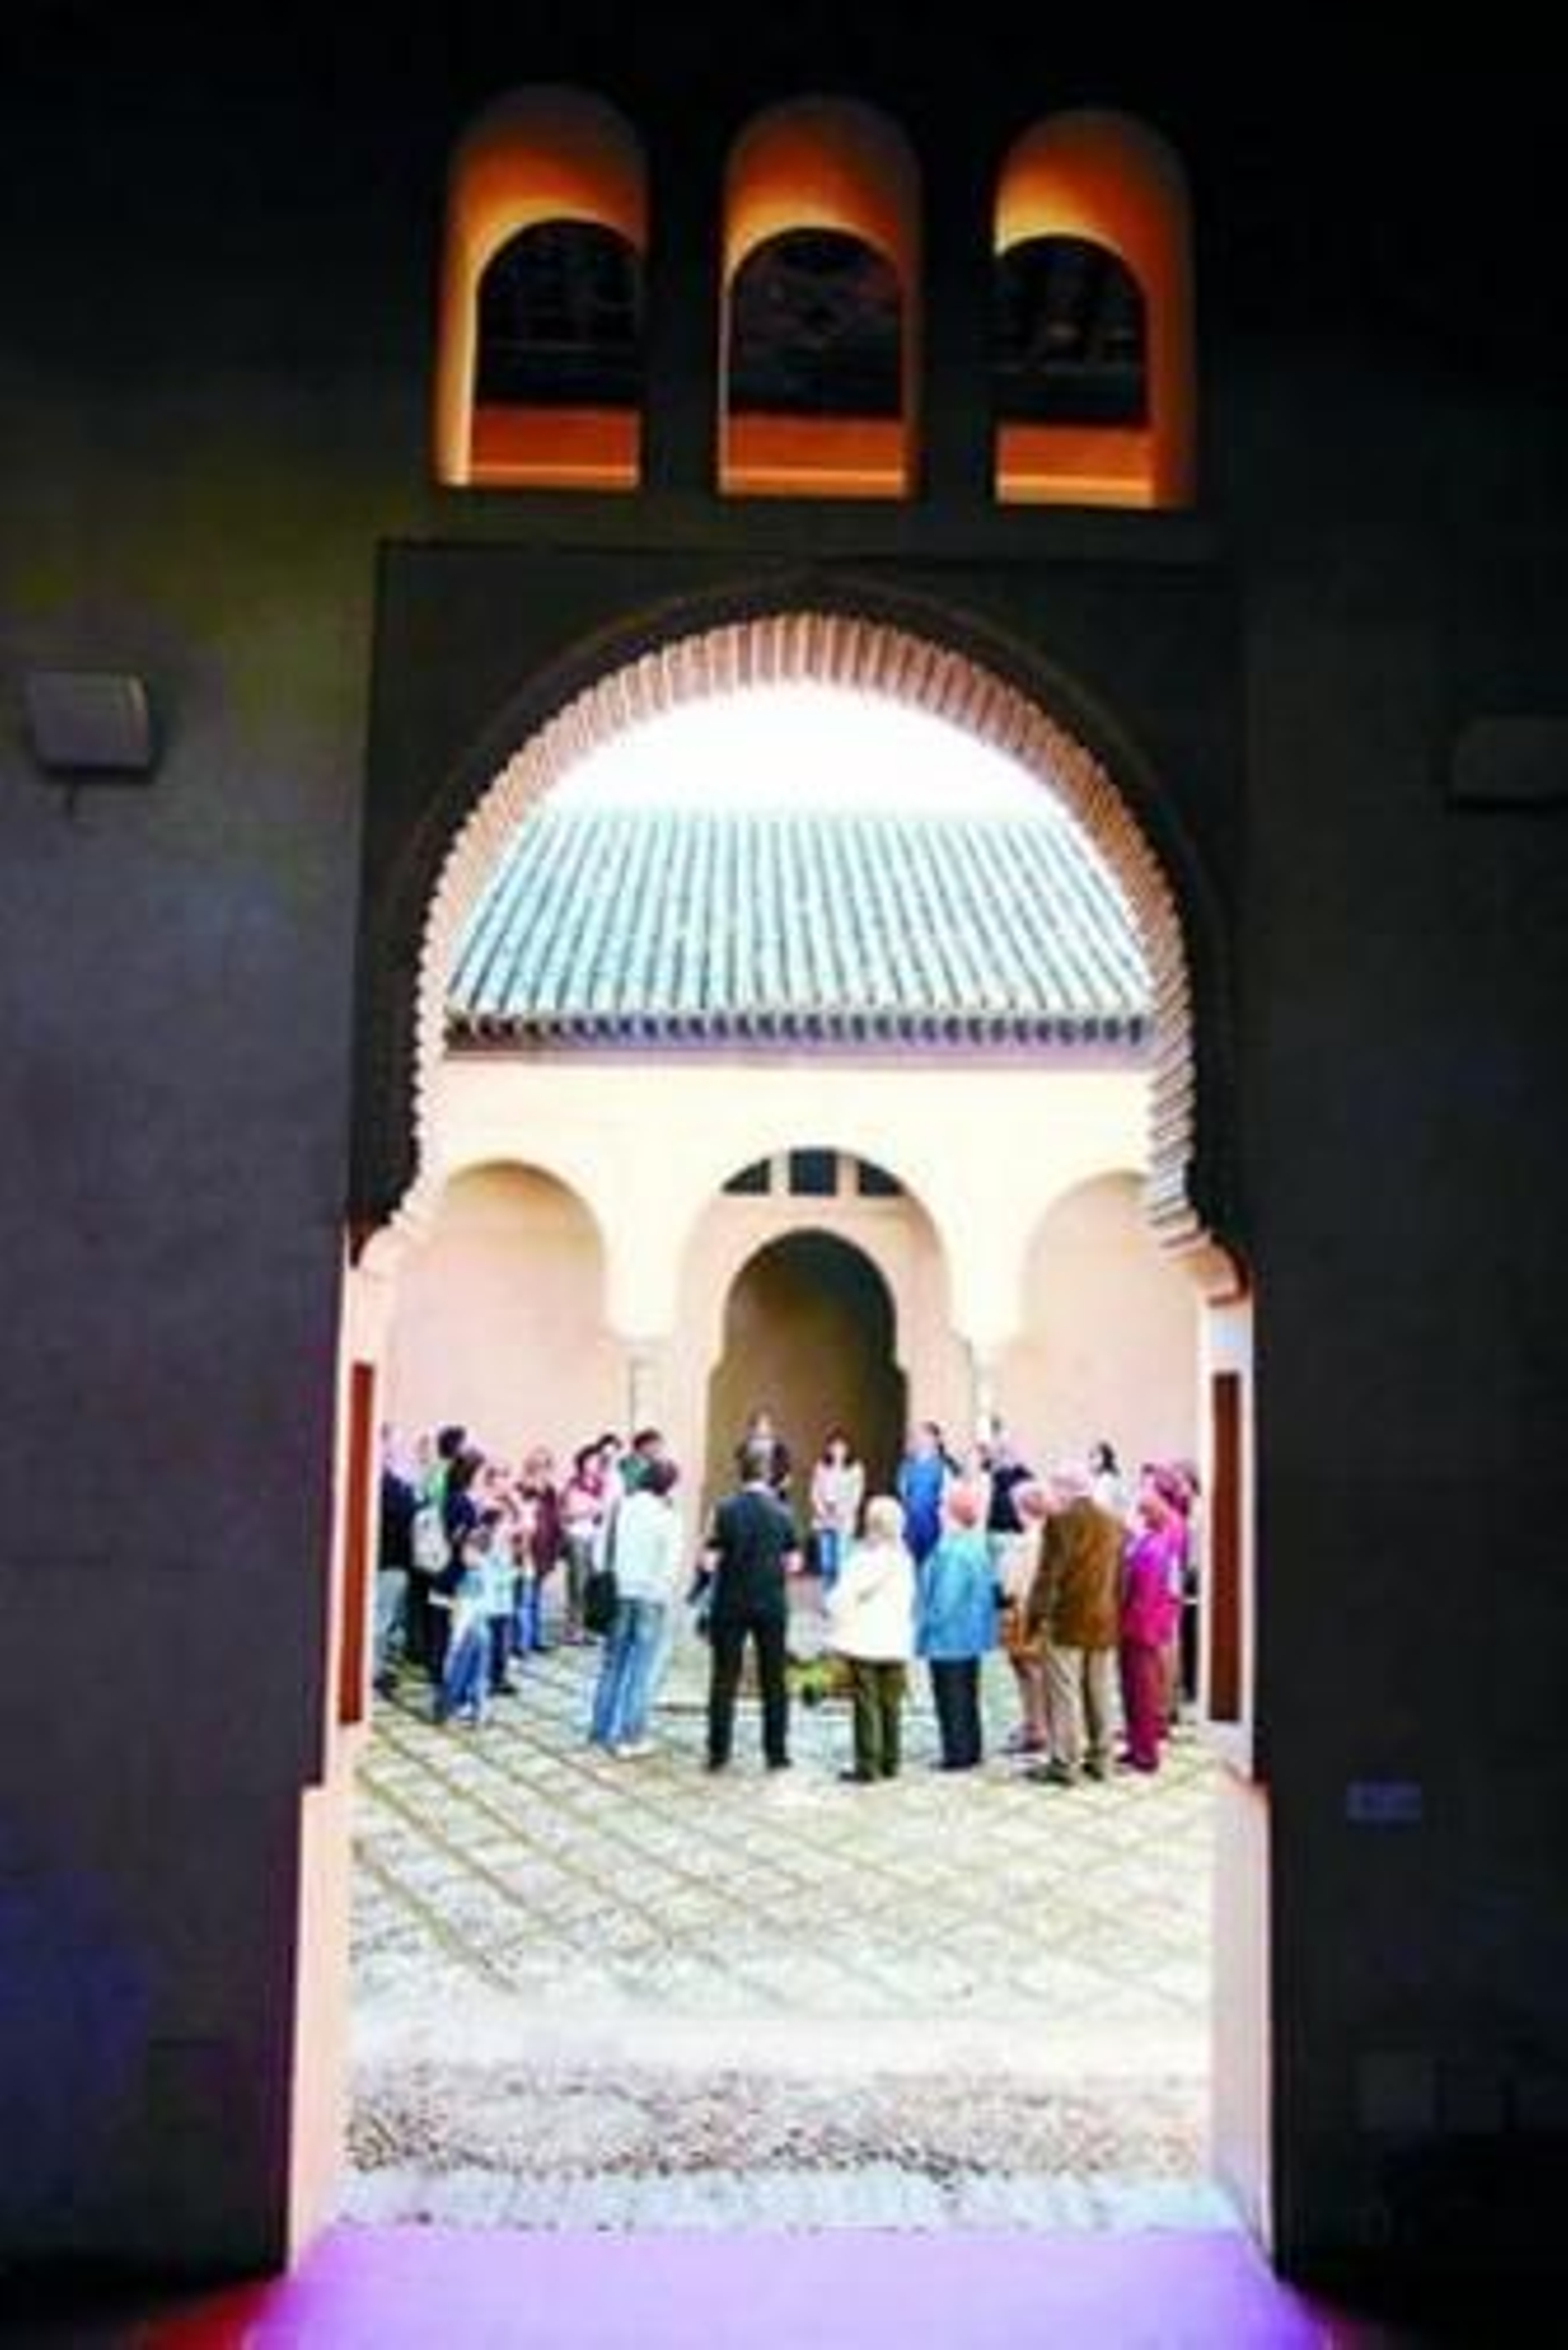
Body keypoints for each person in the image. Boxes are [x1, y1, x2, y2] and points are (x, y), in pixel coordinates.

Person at [699, 1439, 803, 1773]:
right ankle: (776, 1752)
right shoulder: (783, 1512)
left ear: (739, 1472)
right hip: (771, 1602)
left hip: (730, 1602)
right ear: (769, 1473)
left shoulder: (725, 1509)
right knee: (774, 1680)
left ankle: (718, 1752)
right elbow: (794, 1564)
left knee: (723, 1679)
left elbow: (709, 1562)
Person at [1023, 1466, 1124, 1787]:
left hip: (1067, 1619)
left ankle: (1065, 1763)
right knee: (1100, 1690)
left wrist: (1033, 1619)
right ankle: (1102, 1759)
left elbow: (1047, 1577)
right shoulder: (1113, 1522)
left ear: (1067, 1488)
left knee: (1064, 1692)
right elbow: (1121, 1576)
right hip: (1103, 1618)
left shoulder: (1061, 1523)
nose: (1052, 1495)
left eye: (1055, 1488)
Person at [587, 1455, 683, 1756]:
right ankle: (630, 1736)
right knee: (641, 1668)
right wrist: (663, 1595)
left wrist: (610, 1574)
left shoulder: (620, 1508)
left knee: (611, 1663)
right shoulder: (668, 1517)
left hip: (618, 1592)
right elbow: (670, 1565)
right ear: (668, 1487)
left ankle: (599, 1730)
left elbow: (599, 1551)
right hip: (650, 1597)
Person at [825, 1494, 916, 1783]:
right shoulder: (904, 1559)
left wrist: (833, 1612)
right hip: (895, 1639)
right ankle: (891, 1760)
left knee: (867, 1703)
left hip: (866, 1638)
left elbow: (842, 1598)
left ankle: (868, 1764)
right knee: (891, 1702)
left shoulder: (864, 1560)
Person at [914, 1484, 1000, 1770]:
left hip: (948, 1638)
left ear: (952, 1512)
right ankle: (971, 1748)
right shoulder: (974, 1544)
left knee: (950, 1698)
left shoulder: (950, 1550)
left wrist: (923, 1626)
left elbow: (944, 1601)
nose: (937, 1509)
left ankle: (957, 1755)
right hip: (971, 1635)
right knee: (968, 1694)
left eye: (941, 1505)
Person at [1118, 1477, 1186, 1772]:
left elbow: (1158, 1588)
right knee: (1133, 1689)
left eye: (1147, 1491)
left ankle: (1145, 1753)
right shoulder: (1151, 1534)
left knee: (1142, 1689)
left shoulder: (1162, 1540)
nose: (1141, 1496)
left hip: (1142, 1625)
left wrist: (1141, 1625)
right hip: (1140, 1622)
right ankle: (1137, 1744)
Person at [999, 1480, 1050, 1756]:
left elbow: (1012, 1583)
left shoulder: (1029, 1542)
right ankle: (1034, 1722)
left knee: (1029, 1672)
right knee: (1031, 1672)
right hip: (1035, 1612)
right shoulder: (1047, 1536)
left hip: (1024, 1612)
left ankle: (1036, 1726)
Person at [373, 1427, 416, 1696]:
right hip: (389, 1562)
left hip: (392, 1561)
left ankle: (377, 1668)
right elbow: (404, 1517)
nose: (394, 1452)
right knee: (380, 1621)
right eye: (390, 1447)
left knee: (383, 1621)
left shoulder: (391, 1483)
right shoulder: (387, 1485)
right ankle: (373, 1672)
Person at [808, 1426, 864, 1589]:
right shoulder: (821, 1466)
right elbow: (814, 1491)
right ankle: (827, 1596)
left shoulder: (855, 1468)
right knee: (826, 1563)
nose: (837, 1450)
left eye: (841, 1446)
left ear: (847, 1448)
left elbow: (856, 1494)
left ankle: (842, 1597)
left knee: (842, 1560)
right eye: (834, 1446)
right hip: (824, 1518)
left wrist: (842, 1511)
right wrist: (822, 1509)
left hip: (844, 1519)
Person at [895, 1420, 951, 1566]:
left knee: (931, 1562)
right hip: (910, 1523)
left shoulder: (942, 1466)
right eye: (918, 1436)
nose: (921, 1439)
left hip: (933, 1523)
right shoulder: (907, 1466)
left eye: (925, 1435)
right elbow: (902, 1493)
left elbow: (945, 1497)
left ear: (935, 1440)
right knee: (909, 1562)